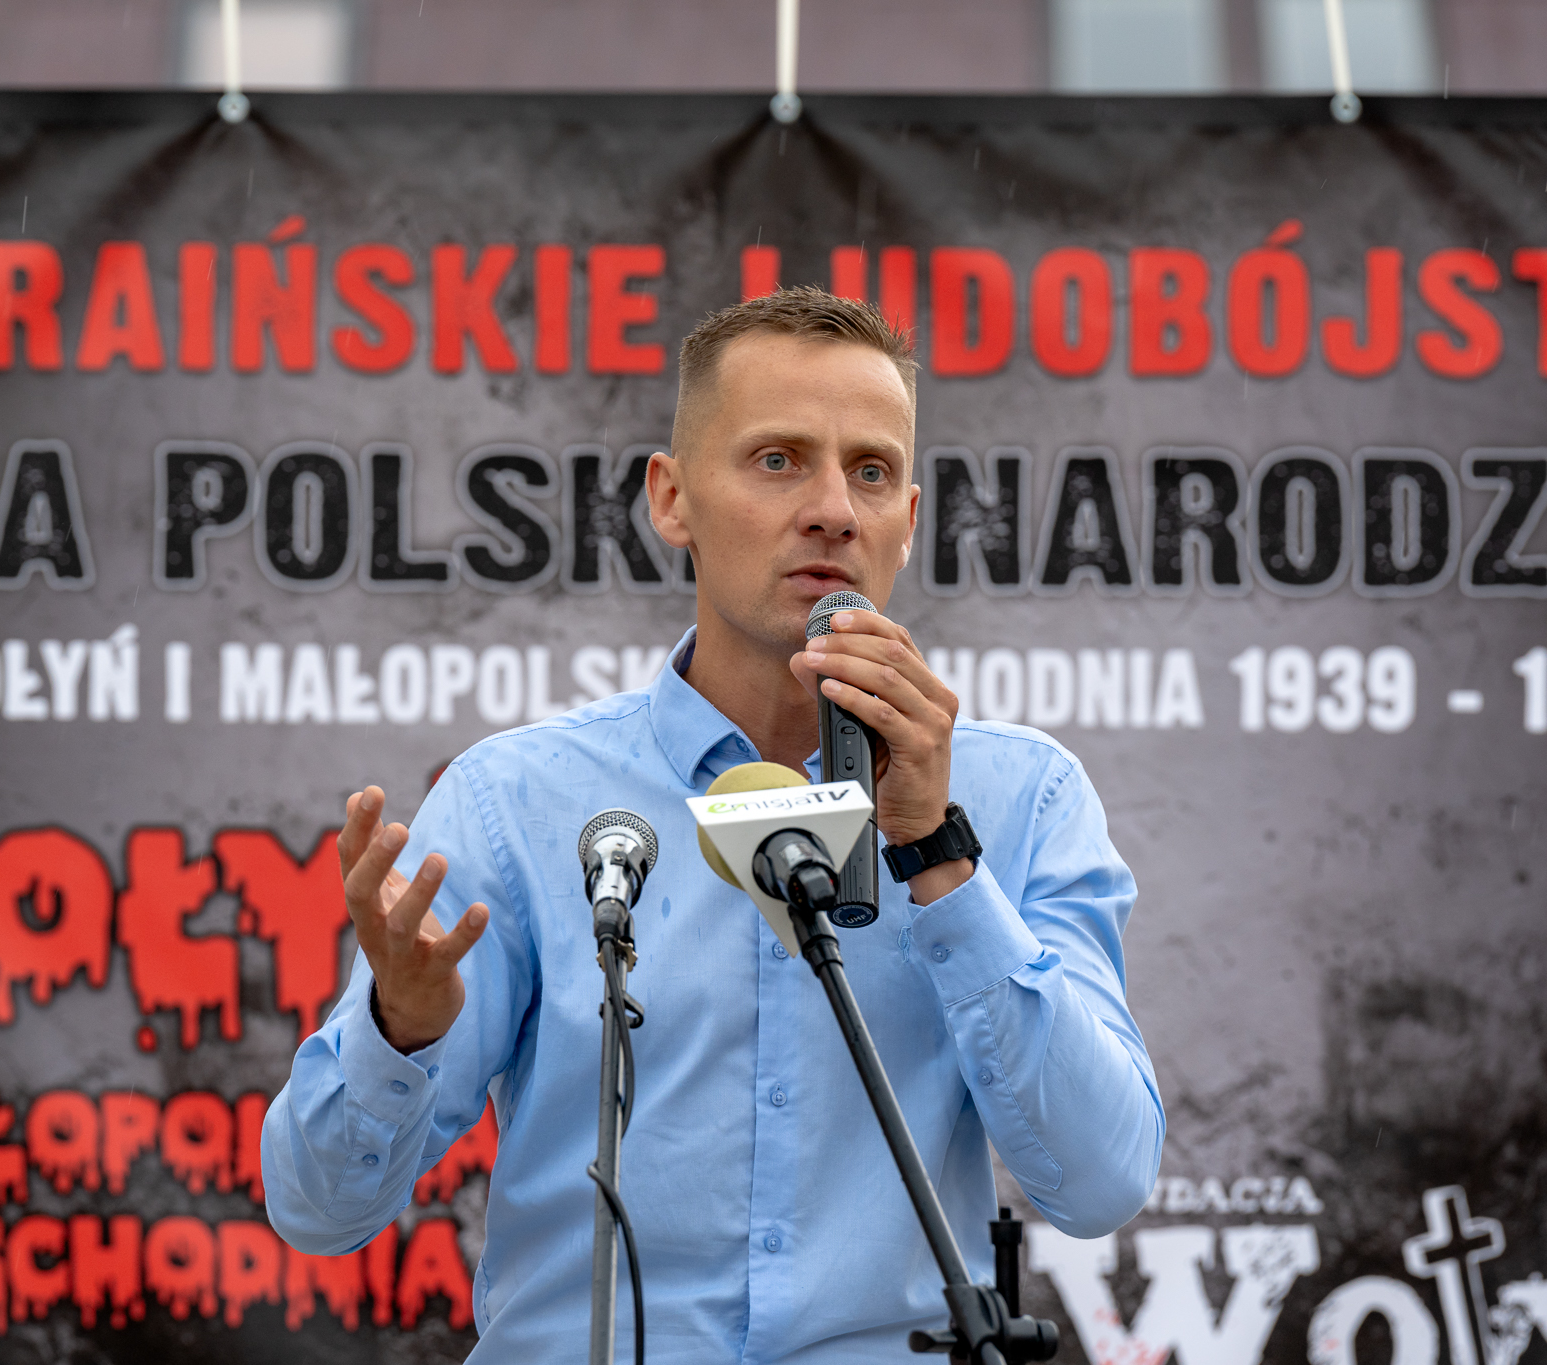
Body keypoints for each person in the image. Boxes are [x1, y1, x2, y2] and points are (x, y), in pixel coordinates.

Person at [263, 287, 1164, 1362]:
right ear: (671, 498)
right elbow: (316, 1211)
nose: (833, 509)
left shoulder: (1022, 797)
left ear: (909, 522)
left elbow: (1100, 1182)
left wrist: (936, 852)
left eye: (871, 472)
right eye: (778, 460)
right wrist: (400, 1029)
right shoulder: (515, 803)